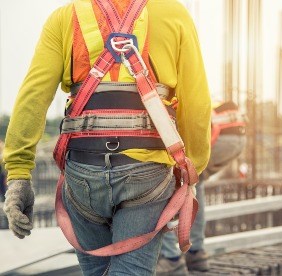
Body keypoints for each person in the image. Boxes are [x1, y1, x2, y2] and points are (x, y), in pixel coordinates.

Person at [2, 0, 211, 275]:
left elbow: (33, 96)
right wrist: (192, 170)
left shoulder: (65, 17)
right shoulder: (173, 13)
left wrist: (18, 175)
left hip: (82, 171)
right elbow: (197, 104)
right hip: (146, 172)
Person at [157, 101, 247, 275]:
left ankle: (170, 258)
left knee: (160, 187)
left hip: (217, 135)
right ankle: (196, 253)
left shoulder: (157, 95)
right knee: (195, 184)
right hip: (235, 135)